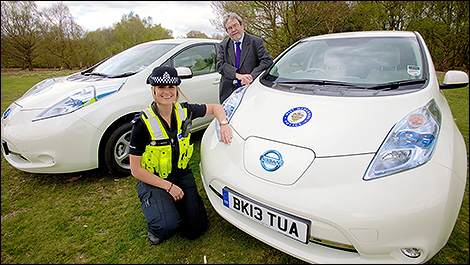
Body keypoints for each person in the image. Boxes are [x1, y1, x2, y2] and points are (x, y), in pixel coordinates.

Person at [129, 66, 233, 245]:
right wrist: (168, 187)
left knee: (196, 229)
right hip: (154, 179)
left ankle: (172, 205)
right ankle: (157, 218)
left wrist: (223, 123)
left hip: (181, 175)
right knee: (167, 226)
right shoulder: (142, 123)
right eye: (161, 88)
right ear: (153, 90)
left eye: (171, 87)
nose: (166, 92)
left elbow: (216, 107)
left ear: (177, 89)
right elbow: (136, 169)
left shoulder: (185, 111)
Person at [216, 12, 273, 103]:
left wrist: (251, 77)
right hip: (229, 94)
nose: (234, 30)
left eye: (235, 25)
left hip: (251, 91)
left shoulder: (255, 42)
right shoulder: (223, 46)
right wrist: (238, 76)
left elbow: (267, 60)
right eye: (230, 28)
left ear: (242, 25)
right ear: (227, 32)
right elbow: (220, 66)